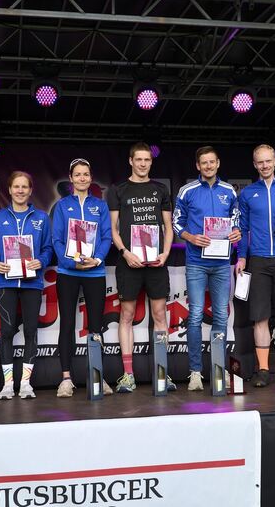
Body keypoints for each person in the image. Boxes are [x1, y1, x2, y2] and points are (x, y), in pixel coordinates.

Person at [108, 142, 176, 393]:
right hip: (129, 263)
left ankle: (162, 373)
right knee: (126, 316)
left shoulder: (160, 190)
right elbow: (113, 229)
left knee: (160, 316)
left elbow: (168, 227)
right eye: (139, 159)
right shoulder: (118, 190)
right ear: (131, 161)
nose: (143, 164)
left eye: (147, 160)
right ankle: (128, 375)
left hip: (156, 263)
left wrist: (165, 253)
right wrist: (125, 253)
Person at [173, 146, 241, 391]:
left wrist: (236, 232)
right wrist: (190, 237)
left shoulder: (229, 191)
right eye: (204, 162)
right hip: (196, 263)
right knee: (195, 315)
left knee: (221, 316)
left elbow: (236, 220)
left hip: (222, 264)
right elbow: (176, 222)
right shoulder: (187, 191)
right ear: (198, 166)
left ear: (218, 163)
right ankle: (195, 372)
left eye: (212, 162)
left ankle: (218, 369)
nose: (209, 166)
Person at [235, 144, 275, 387]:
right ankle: (263, 370)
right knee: (260, 317)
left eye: (268, 161)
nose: (264, 165)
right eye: (260, 162)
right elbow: (242, 228)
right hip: (259, 259)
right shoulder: (247, 193)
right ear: (255, 164)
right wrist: (242, 257)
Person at [0, 171, 52, 400]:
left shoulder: (41, 218)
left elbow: (48, 248)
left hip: (32, 282)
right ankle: (7, 385)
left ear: (31, 190)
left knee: (31, 331)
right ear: (10, 189)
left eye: (25, 187)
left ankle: (25, 384)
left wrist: (41, 261)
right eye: (16, 186)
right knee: (6, 331)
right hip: (6, 281)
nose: (20, 191)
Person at [52, 158, 114, 397]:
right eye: (77, 174)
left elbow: (107, 237)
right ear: (71, 178)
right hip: (68, 272)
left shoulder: (100, 206)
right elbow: (57, 240)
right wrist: (72, 263)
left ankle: (97, 375)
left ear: (91, 178)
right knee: (67, 323)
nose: (82, 178)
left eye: (85, 174)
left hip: (95, 271)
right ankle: (66, 378)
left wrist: (97, 259)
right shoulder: (61, 206)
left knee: (95, 325)